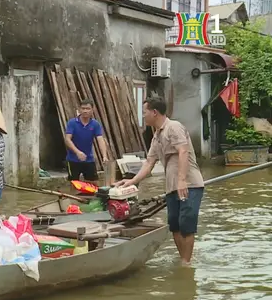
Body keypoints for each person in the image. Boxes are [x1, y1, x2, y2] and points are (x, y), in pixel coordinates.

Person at [114, 97, 204, 266]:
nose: (143, 116)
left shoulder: (173, 127)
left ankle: (186, 263)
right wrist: (131, 181)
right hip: (171, 187)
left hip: (189, 184)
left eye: (144, 112)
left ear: (154, 112)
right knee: (175, 226)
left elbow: (183, 151)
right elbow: (148, 163)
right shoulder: (156, 137)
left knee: (186, 224)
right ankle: (184, 259)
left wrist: (182, 180)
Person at [64, 99, 109, 184]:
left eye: (88, 108)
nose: (85, 111)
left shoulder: (95, 124)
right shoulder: (72, 123)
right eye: (83, 108)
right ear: (79, 109)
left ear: (92, 110)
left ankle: (89, 198)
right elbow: (67, 139)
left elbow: (100, 140)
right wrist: (77, 152)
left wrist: (104, 156)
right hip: (73, 160)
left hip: (89, 159)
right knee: (74, 184)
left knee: (93, 184)